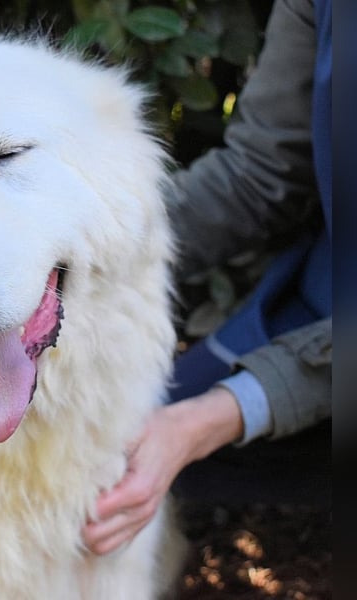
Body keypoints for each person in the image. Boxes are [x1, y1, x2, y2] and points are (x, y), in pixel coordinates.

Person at [83, 0, 332, 556]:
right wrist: (95, 245)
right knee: (115, 449)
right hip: (323, 300)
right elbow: (258, 172)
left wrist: (198, 424)